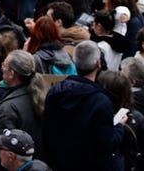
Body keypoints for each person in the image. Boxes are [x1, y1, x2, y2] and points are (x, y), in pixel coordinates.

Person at [43, 42, 124, 171]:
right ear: (98, 63)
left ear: (74, 62)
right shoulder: (101, 101)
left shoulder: (54, 92)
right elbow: (107, 143)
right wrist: (119, 126)